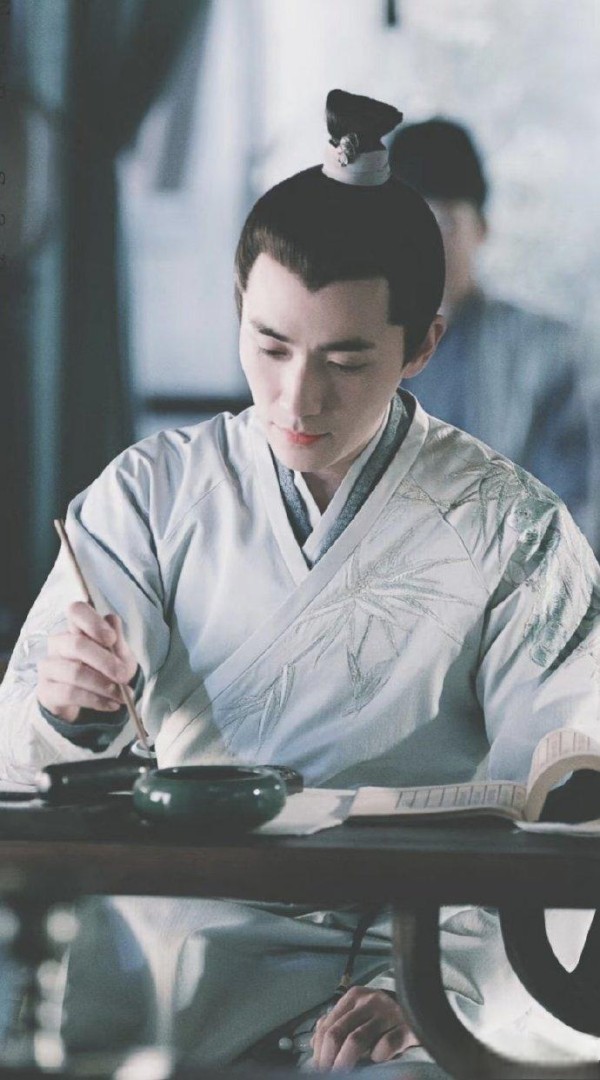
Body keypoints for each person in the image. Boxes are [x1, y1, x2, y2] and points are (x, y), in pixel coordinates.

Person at [0, 89, 599, 1073]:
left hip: (421, 955)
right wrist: (67, 712)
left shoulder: (515, 530)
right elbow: (21, 768)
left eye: (346, 360)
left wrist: (437, 996)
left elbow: (570, 810)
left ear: (422, 344)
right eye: (270, 346)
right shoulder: (149, 498)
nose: (296, 398)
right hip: (176, 951)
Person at [388, 118, 596, 550]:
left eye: (446, 222)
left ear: (482, 228)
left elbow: (569, 510)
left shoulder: (545, 352)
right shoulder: (353, 348)